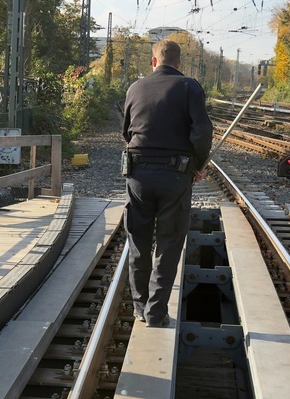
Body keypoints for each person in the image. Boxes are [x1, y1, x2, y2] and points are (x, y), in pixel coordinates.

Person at [121, 40, 213, 328]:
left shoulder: (135, 88)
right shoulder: (189, 87)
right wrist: (197, 165)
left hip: (137, 175)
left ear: (154, 61)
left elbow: (127, 132)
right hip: (175, 176)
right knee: (169, 242)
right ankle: (156, 313)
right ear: (179, 63)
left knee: (139, 239)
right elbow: (202, 132)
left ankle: (139, 307)